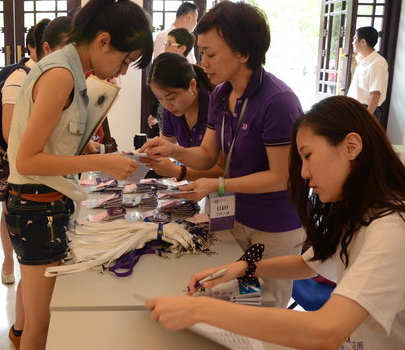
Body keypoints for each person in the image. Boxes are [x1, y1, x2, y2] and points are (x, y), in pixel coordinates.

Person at [146, 95, 405, 350]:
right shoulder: (359, 212)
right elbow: (309, 265)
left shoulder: (391, 228)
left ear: (351, 147)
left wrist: (201, 310)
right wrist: (244, 267)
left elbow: (326, 332)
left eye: (308, 155)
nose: (304, 173)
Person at [5, 0, 152, 350]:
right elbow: (27, 158)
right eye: (123, 60)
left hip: (47, 203)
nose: (120, 71)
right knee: (41, 322)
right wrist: (102, 159)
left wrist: (93, 148)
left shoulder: (75, 72)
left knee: (43, 315)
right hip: (36, 207)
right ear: (103, 41)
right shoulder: (61, 74)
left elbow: (53, 143)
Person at [140, 1, 304, 308]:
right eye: (201, 53)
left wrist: (218, 186)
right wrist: (173, 150)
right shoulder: (221, 94)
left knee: (266, 307)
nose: (203, 62)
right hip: (232, 216)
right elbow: (207, 156)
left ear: (243, 53)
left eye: (211, 54)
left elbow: (280, 176)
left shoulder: (278, 101)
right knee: (226, 300)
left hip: (273, 225)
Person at [1, 15, 73, 349]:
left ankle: (17, 331)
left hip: (38, 193)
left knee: (33, 295)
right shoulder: (37, 76)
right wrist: (101, 160)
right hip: (32, 195)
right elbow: (19, 145)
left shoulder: (53, 76)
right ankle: (20, 332)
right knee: (40, 318)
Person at [146, 52, 219, 180]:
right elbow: (164, 147)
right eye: (160, 99)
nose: (167, 105)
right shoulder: (170, 112)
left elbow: (221, 170)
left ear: (192, 85)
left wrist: (178, 171)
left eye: (171, 98)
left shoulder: (215, 106)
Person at [147, 27, 196, 134]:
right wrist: (154, 113)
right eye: (166, 43)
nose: (165, 48)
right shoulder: (170, 110)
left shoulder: (187, 75)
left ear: (182, 48)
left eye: (169, 44)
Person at [347, 26, 389, 121]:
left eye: (354, 39)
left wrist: (367, 118)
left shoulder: (377, 62)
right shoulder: (362, 59)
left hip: (366, 111)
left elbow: (376, 93)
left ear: (363, 42)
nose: (352, 42)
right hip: (354, 108)